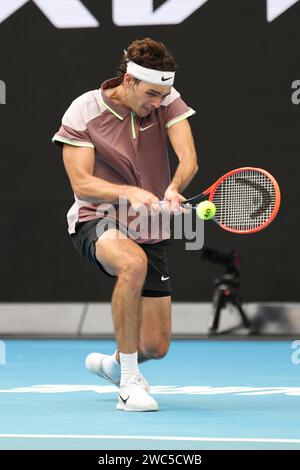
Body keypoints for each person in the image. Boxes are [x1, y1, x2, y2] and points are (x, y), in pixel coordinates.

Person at [52, 37, 198, 412]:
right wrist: (131, 192)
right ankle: (129, 386)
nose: (157, 102)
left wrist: (173, 187)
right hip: (96, 218)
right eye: (151, 93)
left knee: (156, 346)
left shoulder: (166, 99)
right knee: (132, 263)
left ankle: (115, 364)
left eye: (163, 94)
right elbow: (82, 184)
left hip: (151, 225)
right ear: (129, 81)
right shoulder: (84, 110)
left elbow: (188, 160)